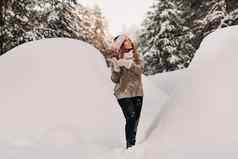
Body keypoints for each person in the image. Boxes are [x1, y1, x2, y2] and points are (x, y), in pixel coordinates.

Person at [107, 33, 144, 149]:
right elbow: (114, 79)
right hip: (123, 93)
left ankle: (132, 145)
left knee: (135, 121)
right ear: (120, 44)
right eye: (125, 40)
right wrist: (116, 69)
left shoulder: (136, 56)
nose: (128, 41)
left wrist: (129, 64)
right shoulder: (116, 57)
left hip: (137, 92)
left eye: (129, 39)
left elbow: (140, 70)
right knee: (131, 117)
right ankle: (130, 146)